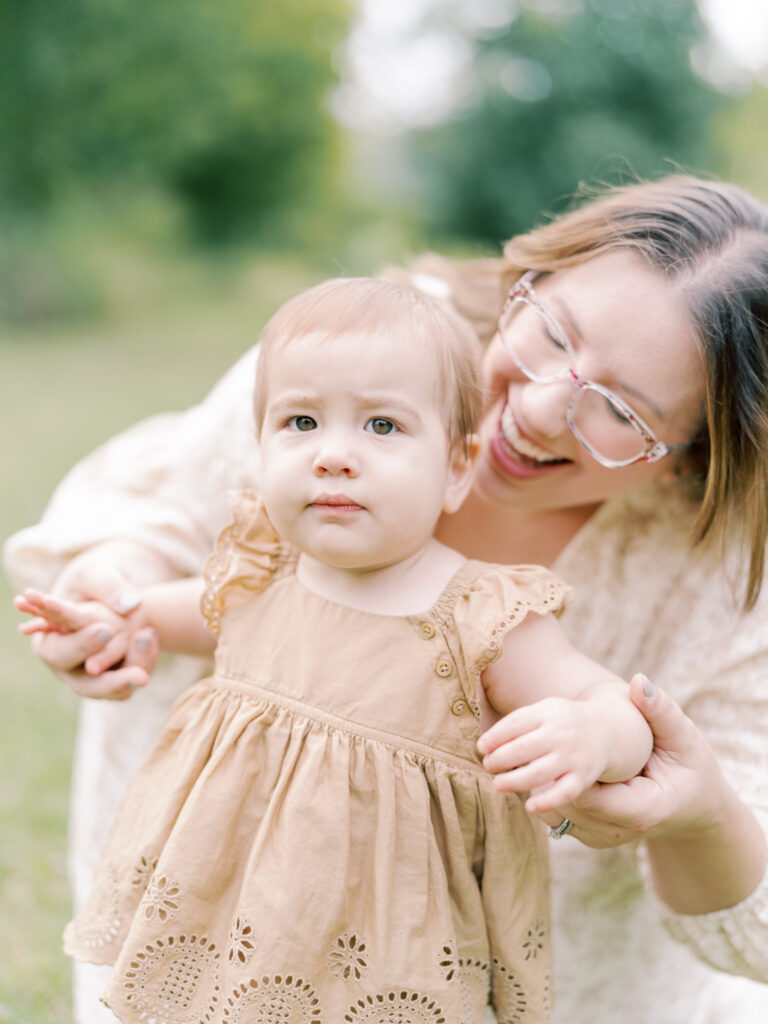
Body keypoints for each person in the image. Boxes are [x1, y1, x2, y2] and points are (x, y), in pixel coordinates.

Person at [4, 175, 768, 1023]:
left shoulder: (489, 612)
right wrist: (116, 609)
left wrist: (607, 737)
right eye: (553, 333)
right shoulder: (358, 370)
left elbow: (611, 706)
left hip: (394, 972)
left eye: (620, 409)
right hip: (216, 929)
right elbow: (183, 572)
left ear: (693, 456)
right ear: (531, 279)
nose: (544, 408)